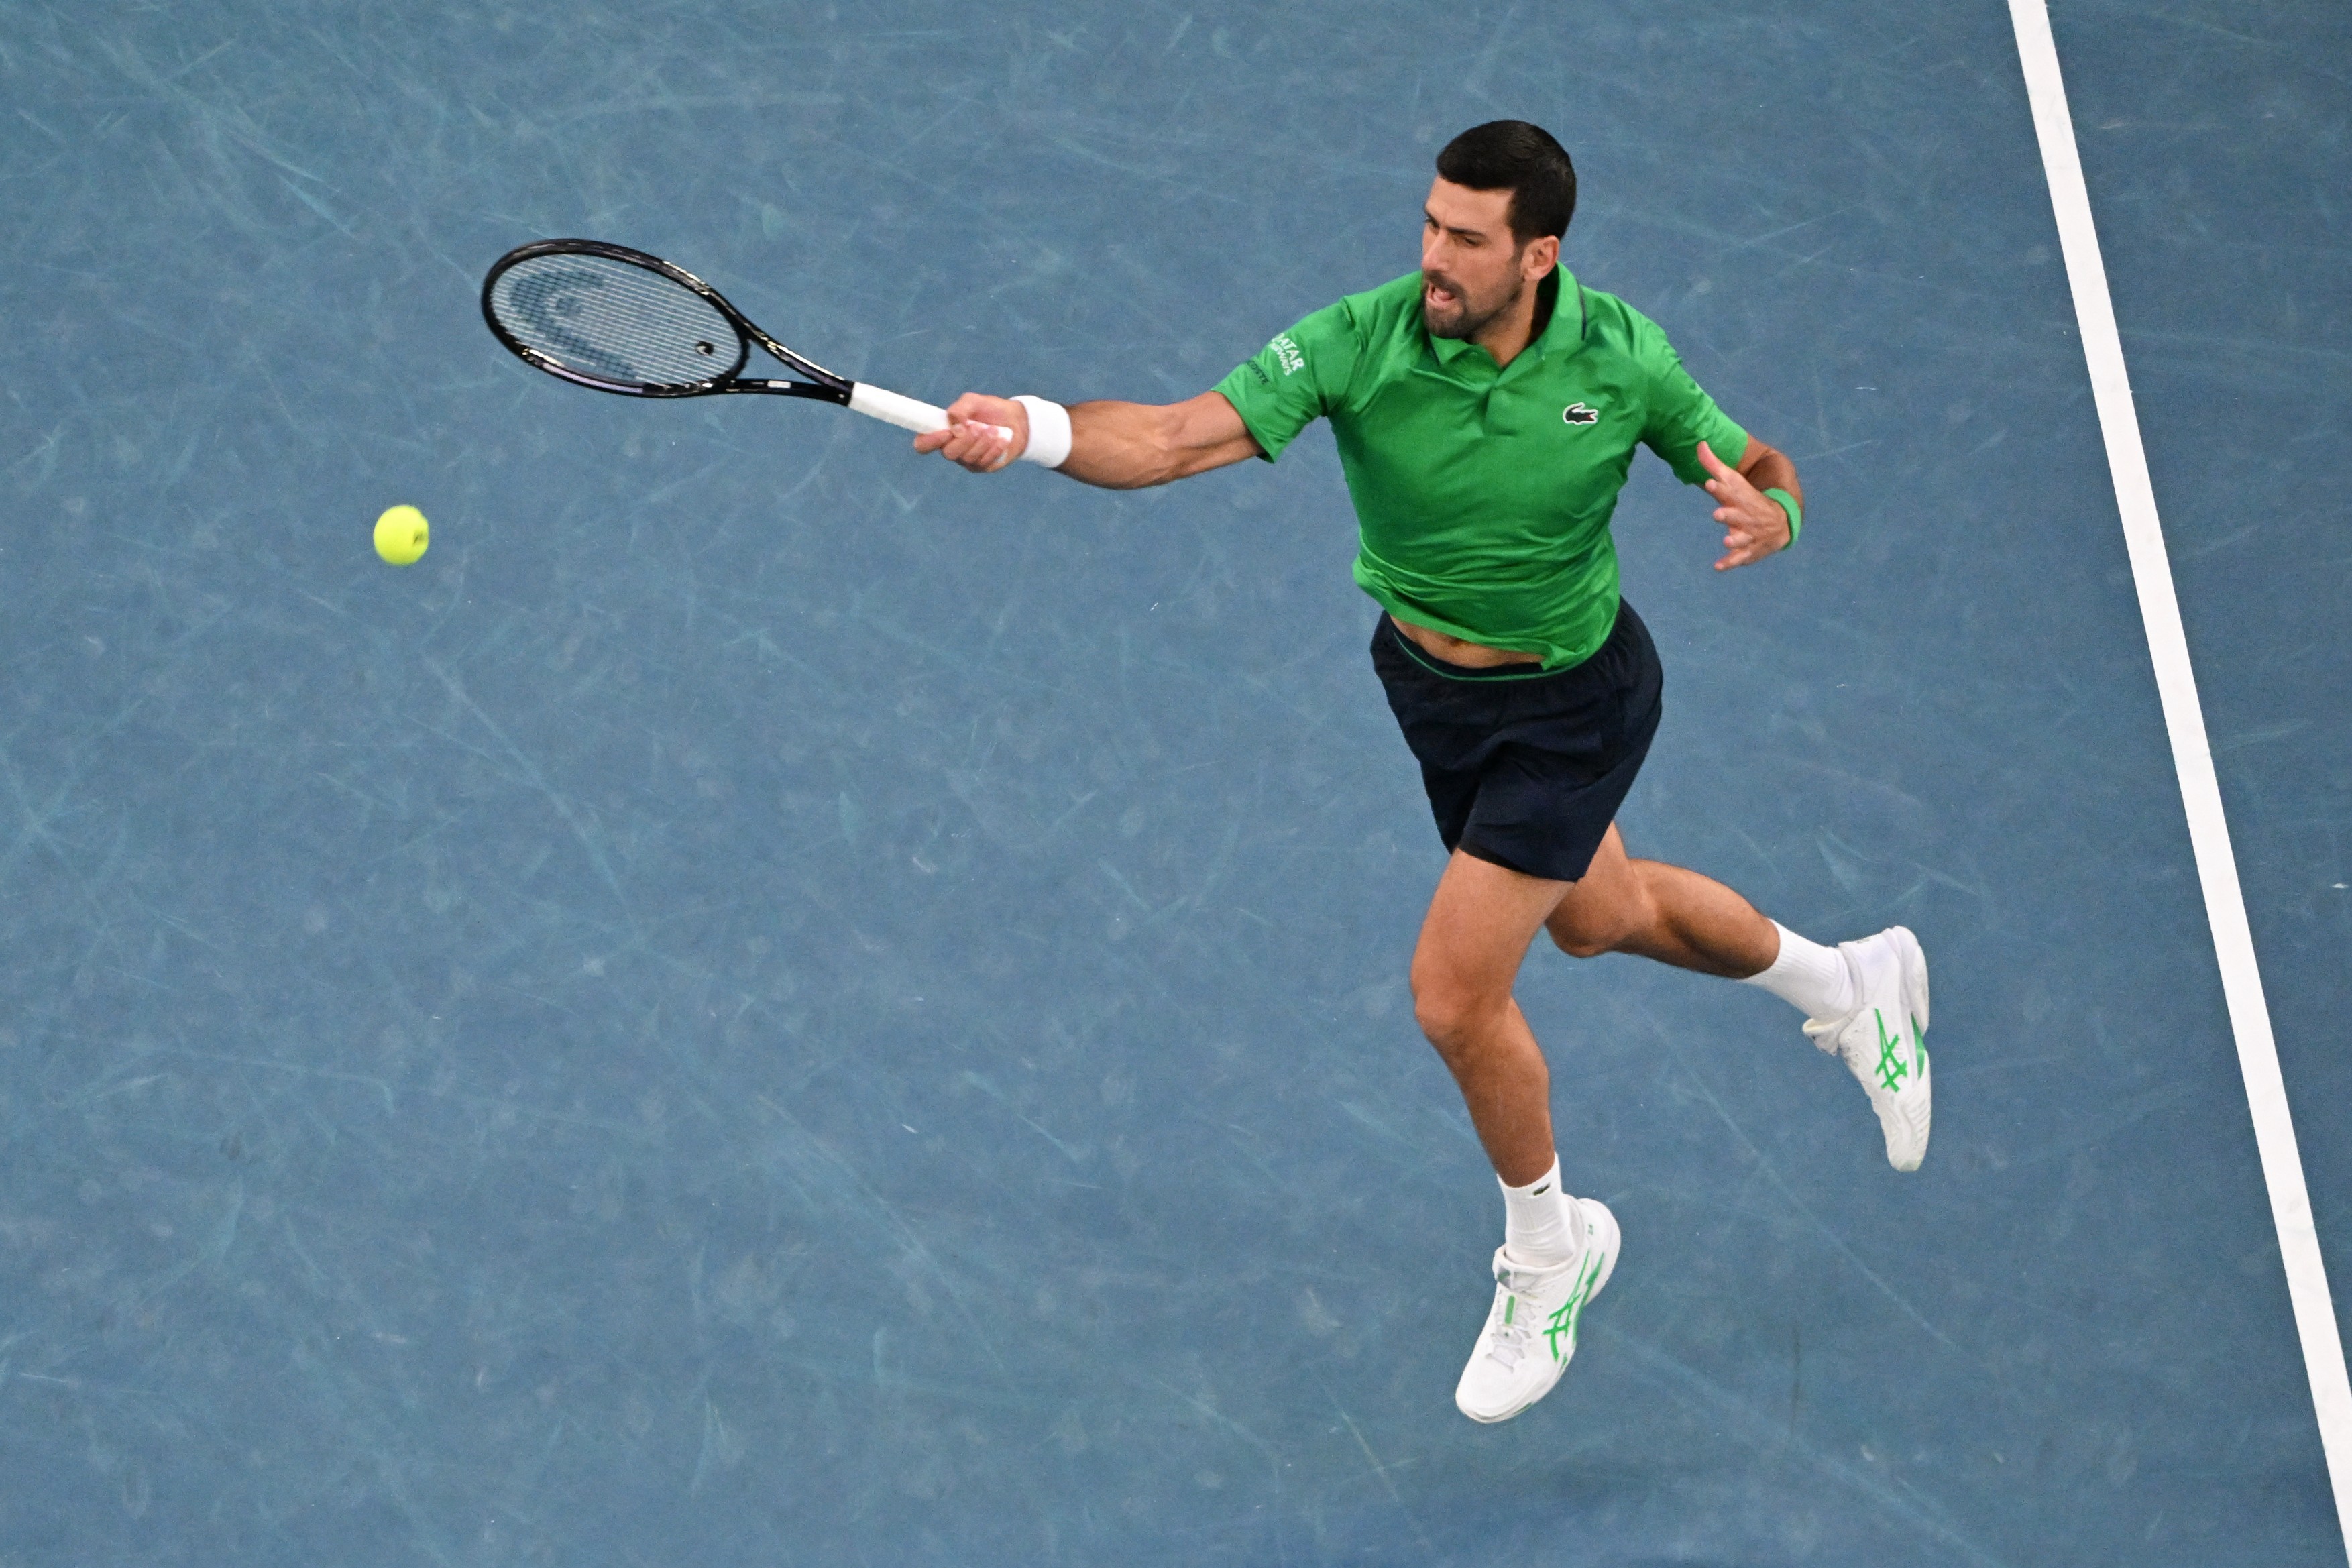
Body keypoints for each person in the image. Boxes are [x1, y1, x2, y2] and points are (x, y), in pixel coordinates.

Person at [912, 121, 1930, 1425]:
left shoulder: (1621, 360)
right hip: (1433, 695)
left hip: (1574, 704)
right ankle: (1851, 982)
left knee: (1453, 996)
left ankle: (1552, 1249)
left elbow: (1754, 462)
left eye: (1465, 238)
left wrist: (1771, 511)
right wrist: (1040, 427)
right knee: (1601, 917)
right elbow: (1170, 438)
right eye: (1428, 225)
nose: (1431, 258)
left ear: (1538, 252)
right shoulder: (1357, 337)